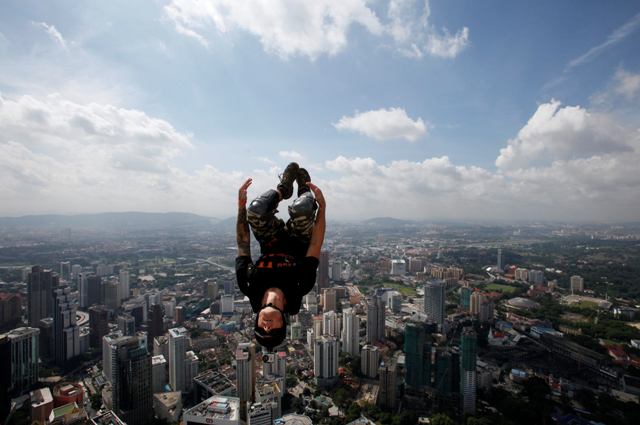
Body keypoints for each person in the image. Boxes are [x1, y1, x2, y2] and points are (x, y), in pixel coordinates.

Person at [236, 162, 326, 350]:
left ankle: (283, 189)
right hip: (298, 241)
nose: (267, 326)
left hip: (271, 240)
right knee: (302, 208)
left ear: (257, 321)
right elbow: (316, 244)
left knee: (255, 210)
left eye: (262, 328)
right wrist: (322, 207)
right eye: (273, 330)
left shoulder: (249, 286)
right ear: (283, 323)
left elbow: (243, 244)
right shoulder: (300, 287)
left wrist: (241, 207)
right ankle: (304, 190)